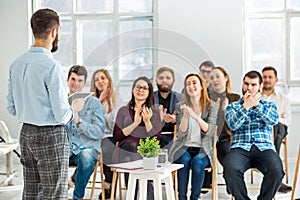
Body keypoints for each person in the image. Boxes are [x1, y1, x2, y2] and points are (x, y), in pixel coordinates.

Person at [6, 8, 73, 199]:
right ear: (54, 32)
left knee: (32, 193)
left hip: (26, 133)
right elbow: (61, 114)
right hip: (51, 135)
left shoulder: (16, 64)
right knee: (55, 194)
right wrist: (72, 111)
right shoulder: (52, 67)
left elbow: (11, 107)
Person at [223, 70, 284, 200]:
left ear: (260, 86)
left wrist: (256, 106)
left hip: (264, 148)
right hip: (240, 148)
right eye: (246, 84)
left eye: (253, 85)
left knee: (277, 171)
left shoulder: (269, 105)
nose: (249, 88)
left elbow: (273, 120)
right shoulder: (232, 107)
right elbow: (233, 125)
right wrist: (245, 107)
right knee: (230, 169)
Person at [169, 73, 218, 200]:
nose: (191, 86)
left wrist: (195, 116)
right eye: (188, 84)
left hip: (203, 149)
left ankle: (194, 198)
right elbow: (181, 133)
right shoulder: (180, 106)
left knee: (197, 162)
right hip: (184, 146)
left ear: (201, 86)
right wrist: (185, 116)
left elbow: (209, 131)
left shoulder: (212, 106)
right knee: (183, 160)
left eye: (194, 83)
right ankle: (181, 197)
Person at [113, 76, 162, 200]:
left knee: (134, 157)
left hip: (145, 153)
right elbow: (117, 135)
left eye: (144, 88)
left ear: (149, 92)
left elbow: (156, 139)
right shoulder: (123, 111)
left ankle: (132, 195)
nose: (140, 90)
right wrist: (134, 123)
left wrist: (147, 122)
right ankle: (147, 192)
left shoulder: (155, 112)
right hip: (126, 149)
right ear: (133, 89)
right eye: (138, 86)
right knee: (131, 147)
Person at [66, 65, 105, 200]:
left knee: (87, 155)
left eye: (80, 80)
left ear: (85, 83)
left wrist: (78, 120)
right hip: (66, 150)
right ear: (67, 80)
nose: (76, 84)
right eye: (73, 79)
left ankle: (78, 197)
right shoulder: (60, 102)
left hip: (86, 148)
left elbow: (99, 131)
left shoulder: (94, 103)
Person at [90, 69, 121, 199]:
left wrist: (109, 104)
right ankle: (108, 187)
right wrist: (99, 102)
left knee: (108, 146)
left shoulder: (117, 99)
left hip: (111, 138)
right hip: (94, 137)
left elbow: (116, 125)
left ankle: (108, 186)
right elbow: (91, 124)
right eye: (97, 80)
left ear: (108, 80)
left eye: (103, 78)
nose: (100, 82)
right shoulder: (91, 100)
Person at [262, 66, 292, 193]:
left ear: (276, 79)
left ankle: (273, 172)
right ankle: (276, 176)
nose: (267, 80)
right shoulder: (256, 96)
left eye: (270, 77)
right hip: (262, 130)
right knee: (273, 130)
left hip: (279, 129)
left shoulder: (282, 98)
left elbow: (287, 120)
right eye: (264, 77)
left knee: (277, 128)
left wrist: (274, 119)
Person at [209, 67, 240, 166]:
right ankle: (208, 181)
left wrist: (225, 110)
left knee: (226, 154)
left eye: (217, 76)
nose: (214, 80)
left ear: (226, 78)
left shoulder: (235, 98)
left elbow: (236, 123)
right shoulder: (207, 98)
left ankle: (232, 179)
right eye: (212, 78)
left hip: (226, 138)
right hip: (208, 138)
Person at [154, 66, 183, 150]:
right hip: (154, 137)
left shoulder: (180, 98)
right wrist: (157, 118)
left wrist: (175, 119)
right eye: (161, 78)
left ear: (173, 81)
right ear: (156, 80)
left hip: (174, 137)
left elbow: (186, 120)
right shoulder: (150, 98)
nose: (164, 80)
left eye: (168, 78)